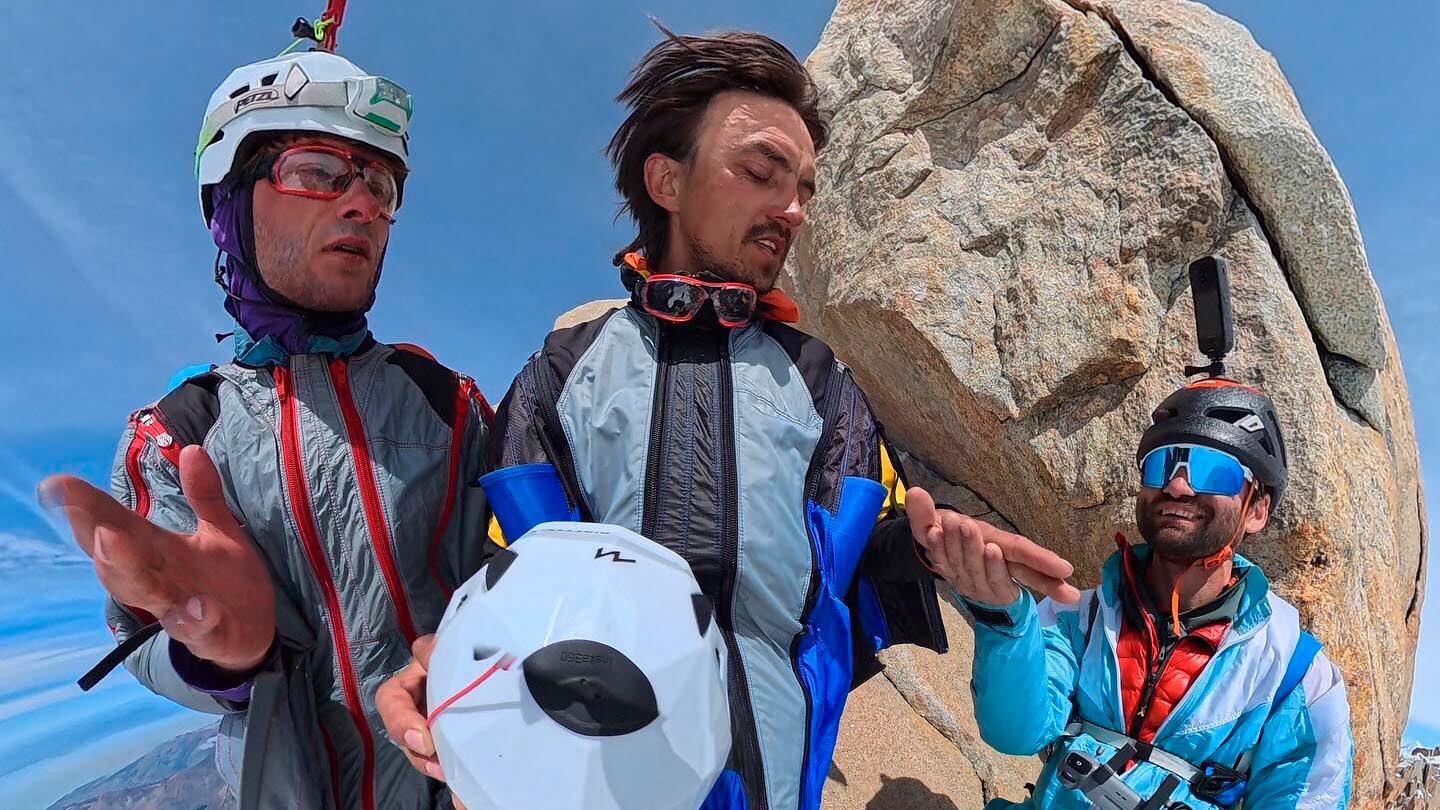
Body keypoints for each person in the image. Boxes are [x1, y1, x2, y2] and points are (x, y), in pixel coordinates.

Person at [376, 28, 1078, 810]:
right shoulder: (562, 375)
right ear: (667, 182)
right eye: (761, 172)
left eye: (805, 188)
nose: (793, 209)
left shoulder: (822, 384)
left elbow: (850, 574)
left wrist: (935, 553)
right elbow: (503, 579)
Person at [39, 49, 491, 810]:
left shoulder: (448, 404)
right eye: (317, 170)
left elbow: (513, 572)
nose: (362, 205)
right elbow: (140, 634)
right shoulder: (178, 435)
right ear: (230, 204)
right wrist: (219, 651)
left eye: (379, 184)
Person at [937, 376, 1354, 809]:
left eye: (1212, 470)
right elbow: (1014, 731)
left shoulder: (1296, 676)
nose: (1177, 486)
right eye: (1162, 466)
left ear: (1258, 509)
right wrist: (1002, 617)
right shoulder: (1079, 616)